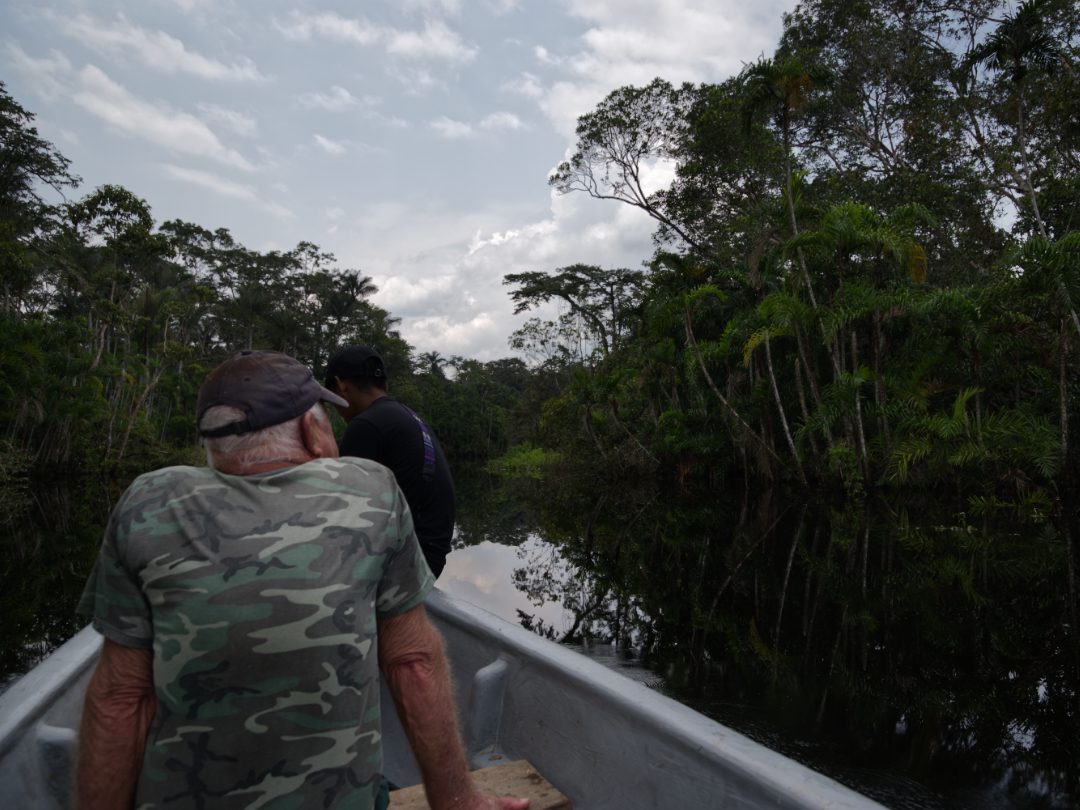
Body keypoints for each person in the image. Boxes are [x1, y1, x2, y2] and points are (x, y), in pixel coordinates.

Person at [75, 350, 527, 810]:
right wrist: (458, 802)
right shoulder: (372, 487)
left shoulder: (147, 503)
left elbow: (121, 697)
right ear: (314, 433)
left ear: (212, 444)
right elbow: (413, 662)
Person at [324, 345, 455, 578]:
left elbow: (342, 510)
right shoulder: (405, 415)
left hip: (408, 563)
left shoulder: (366, 425)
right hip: (431, 556)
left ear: (341, 386)